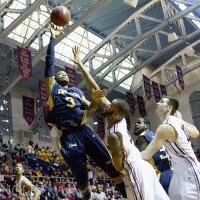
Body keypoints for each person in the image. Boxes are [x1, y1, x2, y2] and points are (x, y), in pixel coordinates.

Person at [71, 45, 170, 199]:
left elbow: (118, 166)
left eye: (111, 105)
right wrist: (80, 64)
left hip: (135, 170)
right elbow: (95, 89)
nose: (107, 104)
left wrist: (116, 153)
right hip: (144, 168)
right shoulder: (116, 116)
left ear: (116, 113)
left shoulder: (115, 135)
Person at [44, 24, 127, 199]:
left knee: (109, 165)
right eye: (60, 74)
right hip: (68, 135)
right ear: (55, 79)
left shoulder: (77, 91)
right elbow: (49, 64)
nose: (63, 74)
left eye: (65, 73)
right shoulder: (52, 89)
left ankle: (127, 194)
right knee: (81, 177)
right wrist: (52, 38)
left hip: (84, 129)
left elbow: (91, 108)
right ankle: (85, 193)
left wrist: (95, 98)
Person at [141, 97, 200, 200]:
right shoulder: (176, 121)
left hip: (190, 172)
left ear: (169, 107)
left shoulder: (165, 127)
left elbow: (146, 155)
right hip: (177, 173)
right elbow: (196, 133)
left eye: (162, 101)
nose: (157, 103)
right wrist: (181, 120)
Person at [133, 117, 173, 194]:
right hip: (170, 173)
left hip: (159, 175)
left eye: (139, 122)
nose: (136, 124)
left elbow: (143, 158)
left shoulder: (142, 136)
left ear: (146, 126)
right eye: (135, 123)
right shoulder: (154, 135)